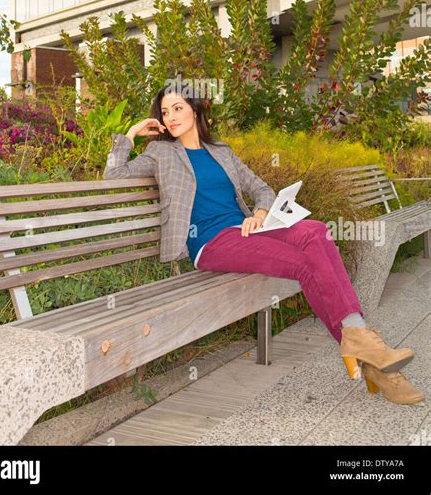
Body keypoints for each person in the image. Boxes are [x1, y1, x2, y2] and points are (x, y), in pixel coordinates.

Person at [103, 85, 424, 405]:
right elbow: (113, 177)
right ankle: (374, 358)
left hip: (244, 231)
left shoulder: (221, 152)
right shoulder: (161, 153)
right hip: (210, 243)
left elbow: (263, 189)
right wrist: (131, 134)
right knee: (302, 262)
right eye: (164, 112)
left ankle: (364, 347)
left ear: (195, 110)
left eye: (177, 108)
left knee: (315, 232)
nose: (170, 117)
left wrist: (257, 214)